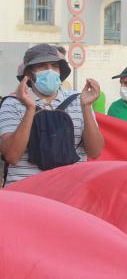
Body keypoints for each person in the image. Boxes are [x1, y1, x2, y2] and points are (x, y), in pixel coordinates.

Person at [0, 44, 103, 185]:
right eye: (42, 66)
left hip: (71, 190)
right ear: (29, 74)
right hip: (26, 191)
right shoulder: (12, 103)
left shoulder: (80, 100)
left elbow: (95, 151)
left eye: (55, 65)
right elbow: (11, 155)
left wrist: (86, 107)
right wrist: (30, 109)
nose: (50, 71)